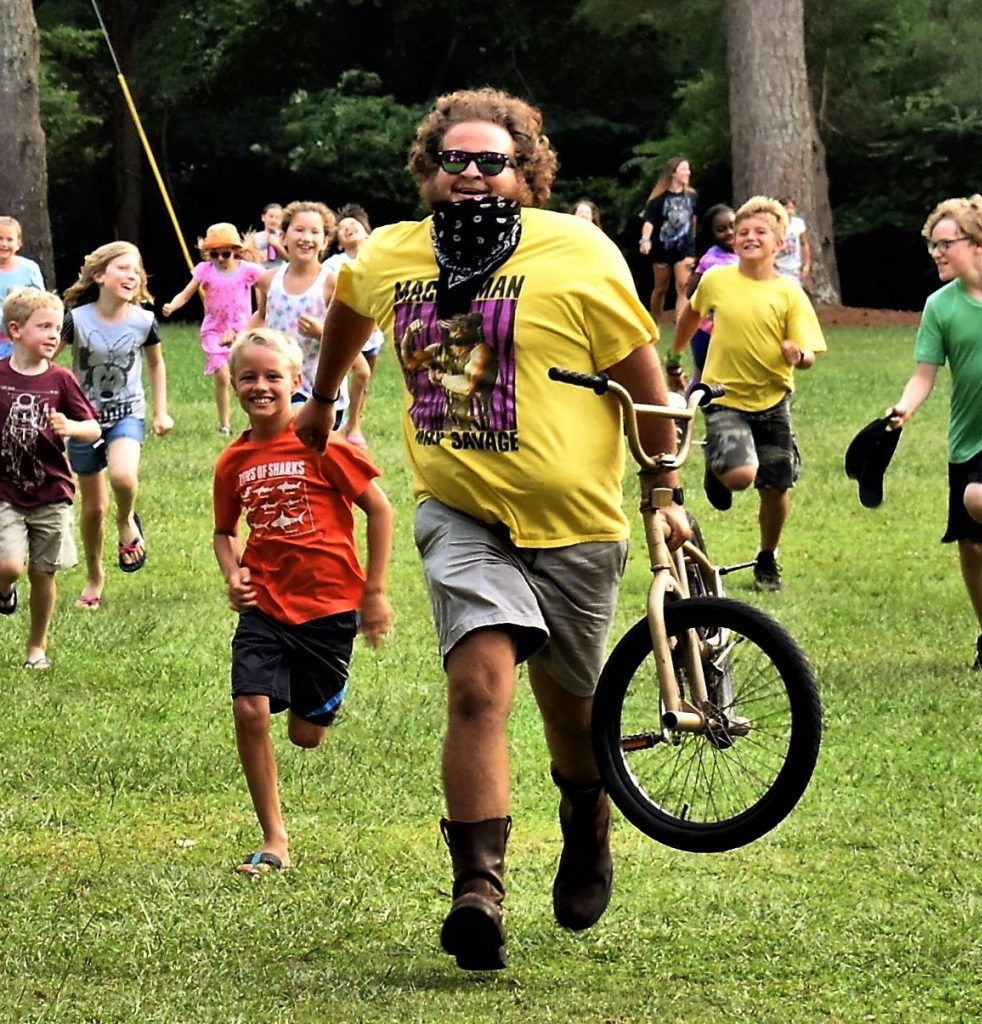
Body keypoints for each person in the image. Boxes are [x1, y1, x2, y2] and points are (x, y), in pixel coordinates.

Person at [294, 86, 688, 971]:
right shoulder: (393, 253)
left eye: (492, 161)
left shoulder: (578, 250)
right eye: (455, 160)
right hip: (461, 510)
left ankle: (586, 814)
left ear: (526, 171)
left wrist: (664, 482)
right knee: (478, 687)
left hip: (576, 522)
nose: (472, 174)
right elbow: (351, 307)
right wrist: (321, 400)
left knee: (571, 712)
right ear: (432, 169)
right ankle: (479, 890)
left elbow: (643, 372)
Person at [214, 326, 393, 875]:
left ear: (297, 381)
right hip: (266, 603)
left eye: (273, 376)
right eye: (249, 377)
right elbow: (225, 532)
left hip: (330, 607)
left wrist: (375, 592)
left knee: (306, 736)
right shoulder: (232, 461)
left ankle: (313, 698)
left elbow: (380, 510)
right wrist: (233, 574)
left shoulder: (324, 443)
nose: (261, 386)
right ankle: (275, 839)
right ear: (233, 383)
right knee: (250, 708)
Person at [887, 194, 982, 671]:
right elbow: (924, 374)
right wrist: (903, 409)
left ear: (981, 243)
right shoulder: (940, 307)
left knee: (980, 497)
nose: (936, 253)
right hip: (969, 433)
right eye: (932, 245)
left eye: (945, 243)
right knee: (972, 546)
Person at [671, 195, 826, 592]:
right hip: (723, 396)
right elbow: (691, 313)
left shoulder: (789, 293)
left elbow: (808, 353)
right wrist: (675, 354)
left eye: (760, 232)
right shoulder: (717, 280)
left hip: (774, 401)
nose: (749, 237)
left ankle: (767, 555)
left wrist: (799, 353)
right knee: (742, 475)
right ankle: (720, 469)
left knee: (776, 487)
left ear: (780, 244)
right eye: (743, 232)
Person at [60, 241, 174, 608]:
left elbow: (155, 365)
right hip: (83, 422)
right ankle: (95, 576)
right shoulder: (75, 321)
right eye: (123, 268)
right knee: (93, 510)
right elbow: (50, 361)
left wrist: (160, 411)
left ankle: (127, 523)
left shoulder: (144, 321)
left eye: (136, 269)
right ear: (99, 276)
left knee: (124, 477)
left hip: (127, 413)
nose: (132, 275)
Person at [0, 288, 100, 668]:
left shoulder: (61, 379)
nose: (53, 334)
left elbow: (92, 428)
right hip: (5, 488)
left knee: (44, 573)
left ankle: (36, 647)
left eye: (57, 328)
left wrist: (72, 426)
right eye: (43, 326)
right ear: (16, 330)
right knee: (9, 565)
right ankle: (5, 590)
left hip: (52, 491)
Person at [250, 200, 365, 430]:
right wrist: (242, 339)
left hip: (321, 389)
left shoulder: (332, 283)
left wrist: (320, 332)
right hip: (280, 385)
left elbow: (348, 340)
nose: (306, 238)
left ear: (325, 241)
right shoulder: (268, 281)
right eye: (299, 230)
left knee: (305, 454)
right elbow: (262, 315)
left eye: (315, 232)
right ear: (283, 237)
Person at [162, 223, 264, 435]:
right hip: (214, 332)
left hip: (241, 332)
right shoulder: (205, 271)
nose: (219, 258)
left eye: (225, 253)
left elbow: (270, 282)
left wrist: (265, 311)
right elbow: (186, 293)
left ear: (235, 251)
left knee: (246, 377)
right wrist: (172, 305)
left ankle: (255, 421)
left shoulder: (247, 270)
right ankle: (225, 424)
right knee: (222, 375)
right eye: (214, 253)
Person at [323, 204, 384, 448]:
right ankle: (344, 421)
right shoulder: (333, 265)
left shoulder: (378, 261)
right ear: (338, 241)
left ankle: (354, 421)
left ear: (367, 234)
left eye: (354, 226)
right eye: (343, 228)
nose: (348, 229)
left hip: (373, 334)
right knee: (351, 374)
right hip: (346, 331)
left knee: (363, 380)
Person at [665, 203, 738, 395]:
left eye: (733, 226)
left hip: (733, 332)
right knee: (702, 377)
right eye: (721, 229)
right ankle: (685, 415)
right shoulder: (711, 259)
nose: (729, 232)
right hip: (706, 332)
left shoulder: (744, 254)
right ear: (711, 233)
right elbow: (691, 292)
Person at [639, 157, 698, 324]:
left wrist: (691, 240)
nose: (688, 173)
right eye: (684, 169)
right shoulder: (658, 200)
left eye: (688, 169)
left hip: (685, 249)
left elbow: (693, 219)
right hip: (661, 249)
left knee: (683, 287)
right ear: (673, 173)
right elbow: (649, 222)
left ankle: (681, 325)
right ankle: (654, 322)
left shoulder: (692, 197)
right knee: (660, 289)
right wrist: (645, 240)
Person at [0, 217, 46, 359]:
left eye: (9, 239)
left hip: (21, 337)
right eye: (0, 239)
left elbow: (40, 302)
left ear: (19, 243)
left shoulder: (29, 269)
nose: (4, 244)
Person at [776, 197, 811, 289]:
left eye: (792, 208)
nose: (789, 211)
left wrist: (807, 265)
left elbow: (804, 243)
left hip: (794, 267)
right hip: (778, 266)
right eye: (787, 208)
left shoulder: (798, 223)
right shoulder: (774, 225)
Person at [253, 204, 285, 269]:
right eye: (271, 216)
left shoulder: (285, 237)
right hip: (261, 274)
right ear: (263, 217)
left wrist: (277, 245)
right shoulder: (254, 237)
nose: (274, 220)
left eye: (278, 217)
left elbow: (290, 259)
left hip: (279, 274)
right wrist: (257, 257)